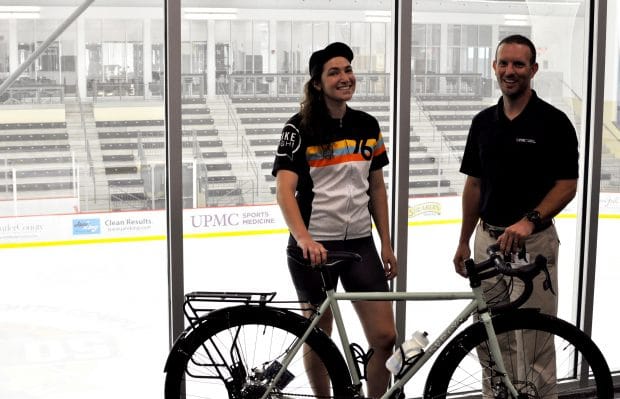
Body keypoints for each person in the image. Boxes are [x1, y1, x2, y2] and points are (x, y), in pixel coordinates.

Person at [452, 34, 579, 398]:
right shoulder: (482, 123)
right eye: (503, 63)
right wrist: (463, 240)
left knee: (536, 337)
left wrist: (529, 221)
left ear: (533, 70)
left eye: (519, 64)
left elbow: (567, 185)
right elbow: (473, 186)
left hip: (534, 243)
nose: (510, 71)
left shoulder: (554, 123)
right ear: (494, 67)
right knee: (492, 337)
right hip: (488, 242)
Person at [272, 42, 398, 398]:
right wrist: (304, 239)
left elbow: (376, 188)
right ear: (317, 83)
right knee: (318, 336)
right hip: (313, 246)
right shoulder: (298, 129)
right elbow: (285, 192)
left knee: (385, 337)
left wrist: (386, 243)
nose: (345, 78)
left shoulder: (366, 124)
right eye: (334, 72)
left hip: (360, 243)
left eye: (347, 70)